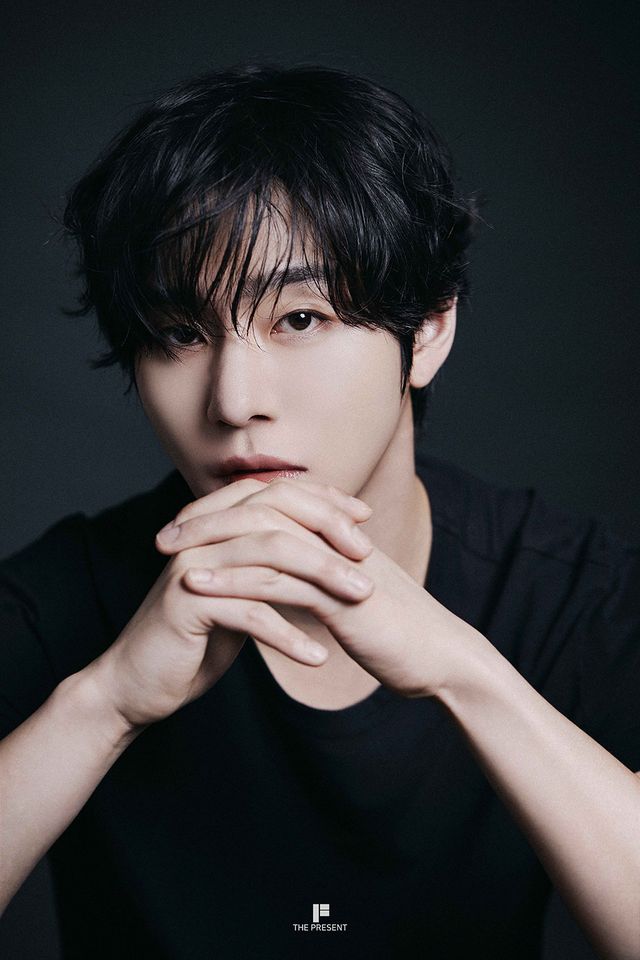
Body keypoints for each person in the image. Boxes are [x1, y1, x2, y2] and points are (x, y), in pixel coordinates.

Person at [0, 62, 638, 960]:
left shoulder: (572, 591)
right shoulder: (61, 600)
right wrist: (105, 704)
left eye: (299, 319)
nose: (234, 400)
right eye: (180, 333)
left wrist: (467, 675)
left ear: (430, 329)